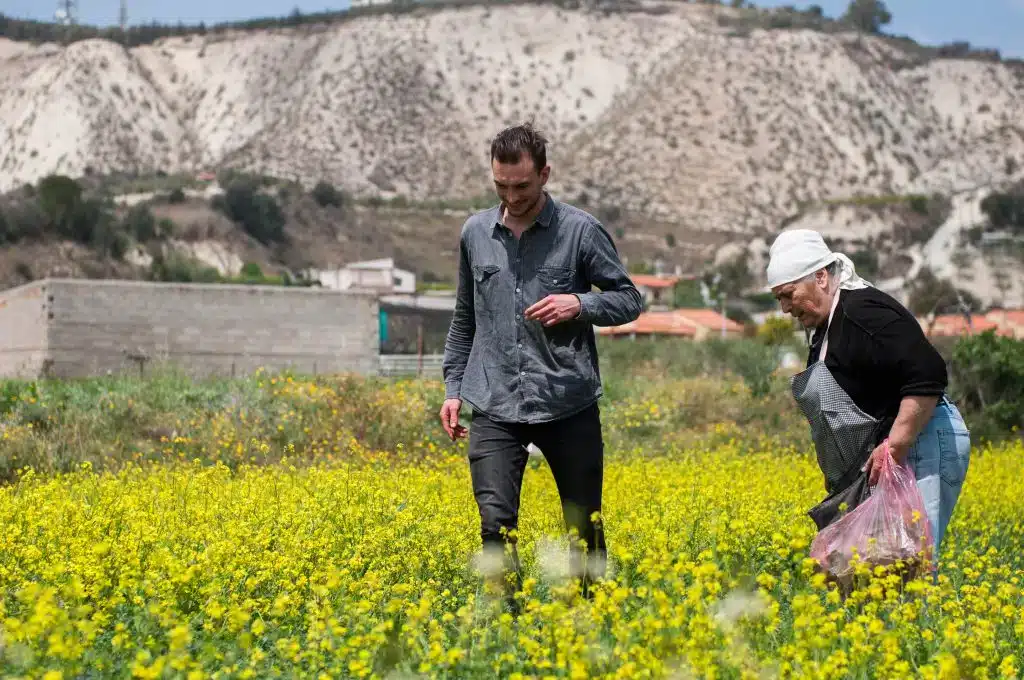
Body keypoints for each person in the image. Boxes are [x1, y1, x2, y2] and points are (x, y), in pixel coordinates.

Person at [440, 123, 642, 607]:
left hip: (566, 400)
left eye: (522, 186)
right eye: (501, 186)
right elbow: (465, 318)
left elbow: (630, 300)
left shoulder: (580, 231)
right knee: (494, 523)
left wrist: (579, 303)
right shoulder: (475, 233)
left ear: (545, 174)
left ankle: (592, 620)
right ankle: (504, 628)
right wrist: (452, 388)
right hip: (493, 399)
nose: (511, 197)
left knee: (583, 523)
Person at [765, 229, 971, 571]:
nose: (785, 308)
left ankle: (923, 625)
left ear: (820, 277)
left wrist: (896, 445)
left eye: (788, 294)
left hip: (923, 441)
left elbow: (928, 374)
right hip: (891, 452)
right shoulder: (825, 328)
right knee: (870, 571)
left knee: (909, 566)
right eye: (778, 299)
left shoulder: (863, 312)